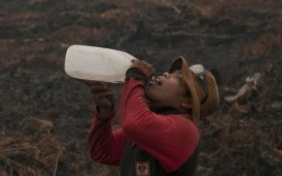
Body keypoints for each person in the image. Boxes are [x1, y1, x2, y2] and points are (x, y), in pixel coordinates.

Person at [85, 56, 219, 176]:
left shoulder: (186, 130)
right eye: (171, 73)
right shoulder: (153, 123)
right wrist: (104, 114)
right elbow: (103, 151)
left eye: (178, 78)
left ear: (188, 102)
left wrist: (136, 76)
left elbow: (133, 123)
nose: (166, 74)